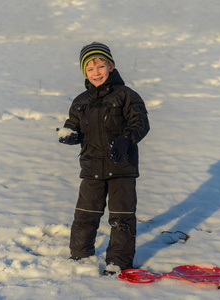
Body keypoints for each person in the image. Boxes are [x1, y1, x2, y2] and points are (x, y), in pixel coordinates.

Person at [57, 42, 149, 275]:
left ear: (111, 66)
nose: (96, 72)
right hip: (91, 169)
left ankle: (118, 262)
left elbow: (141, 122)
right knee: (85, 216)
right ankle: (80, 255)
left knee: (122, 219)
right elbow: (73, 125)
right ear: (84, 72)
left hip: (122, 168)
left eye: (100, 66)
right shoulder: (80, 101)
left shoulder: (127, 95)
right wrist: (69, 134)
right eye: (90, 68)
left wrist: (126, 139)